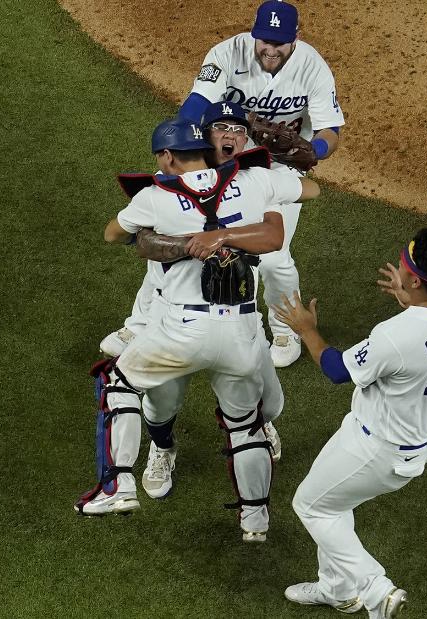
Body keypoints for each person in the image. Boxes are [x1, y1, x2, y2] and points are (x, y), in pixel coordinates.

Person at [75, 118, 320, 544]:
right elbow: (302, 201)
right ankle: (255, 520)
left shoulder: (155, 195)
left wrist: (165, 234)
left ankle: (117, 485)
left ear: (167, 156)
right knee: (246, 424)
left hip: (181, 329)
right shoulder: (257, 179)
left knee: (117, 381)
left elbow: (113, 235)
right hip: (243, 331)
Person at [100, 0, 345, 367]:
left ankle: (284, 326)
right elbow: (196, 104)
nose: (270, 49)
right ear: (253, 33)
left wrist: (312, 150)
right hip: (224, 158)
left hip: (278, 165)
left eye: (278, 43)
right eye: (264, 40)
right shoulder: (226, 54)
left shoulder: (313, 67)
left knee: (275, 259)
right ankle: (142, 322)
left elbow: (332, 130)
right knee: (173, 239)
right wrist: (184, 155)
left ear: (296, 37)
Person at [272, 229, 427, 618]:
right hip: (418, 437)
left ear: (417, 280)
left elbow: (337, 371)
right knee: (336, 504)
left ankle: (374, 589)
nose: (397, 267)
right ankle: (337, 590)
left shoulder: (393, 336)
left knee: (312, 506)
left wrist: (307, 329)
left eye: (403, 266)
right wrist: (411, 303)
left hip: (374, 449)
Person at [133, 102, 290, 505]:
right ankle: (163, 449)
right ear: (201, 141)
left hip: (239, 318)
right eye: (219, 128)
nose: (230, 136)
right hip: (175, 318)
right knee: (161, 403)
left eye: (238, 129)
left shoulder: (256, 180)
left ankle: (255, 425)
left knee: (269, 403)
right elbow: (133, 238)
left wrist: (296, 161)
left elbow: (303, 196)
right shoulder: (160, 191)